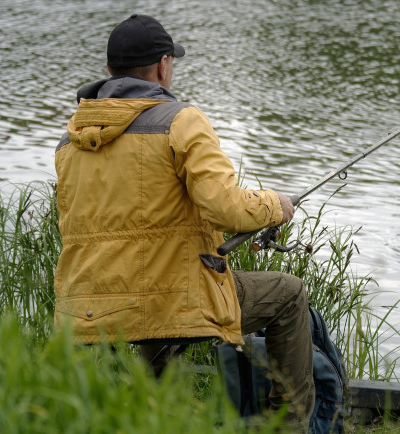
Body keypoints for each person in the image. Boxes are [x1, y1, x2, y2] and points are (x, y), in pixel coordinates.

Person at [53, 14, 314, 428]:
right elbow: (227, 209)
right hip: (164, 300)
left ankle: (151, 413)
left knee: (158, 308)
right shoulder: (181, 120)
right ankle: (291, 423)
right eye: (171, 62)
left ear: (109, 71)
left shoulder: (71, 140)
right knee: (288, 293)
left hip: (89, 306)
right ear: (162, 65)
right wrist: (274, 204)